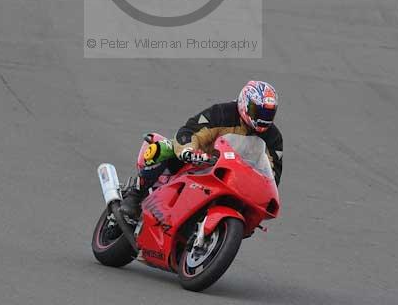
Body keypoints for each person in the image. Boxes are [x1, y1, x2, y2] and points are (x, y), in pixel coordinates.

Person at [120, 80, 283, 221]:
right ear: (244, 103)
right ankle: (136, 194)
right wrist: (188, 150)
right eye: (258, 111)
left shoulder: (273, 137)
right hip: (202, 161)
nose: (263, 118)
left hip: (236, 179)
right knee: (165, 147)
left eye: (268, 113)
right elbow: (190, 130)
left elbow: (273, 175)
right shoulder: (222, 113)